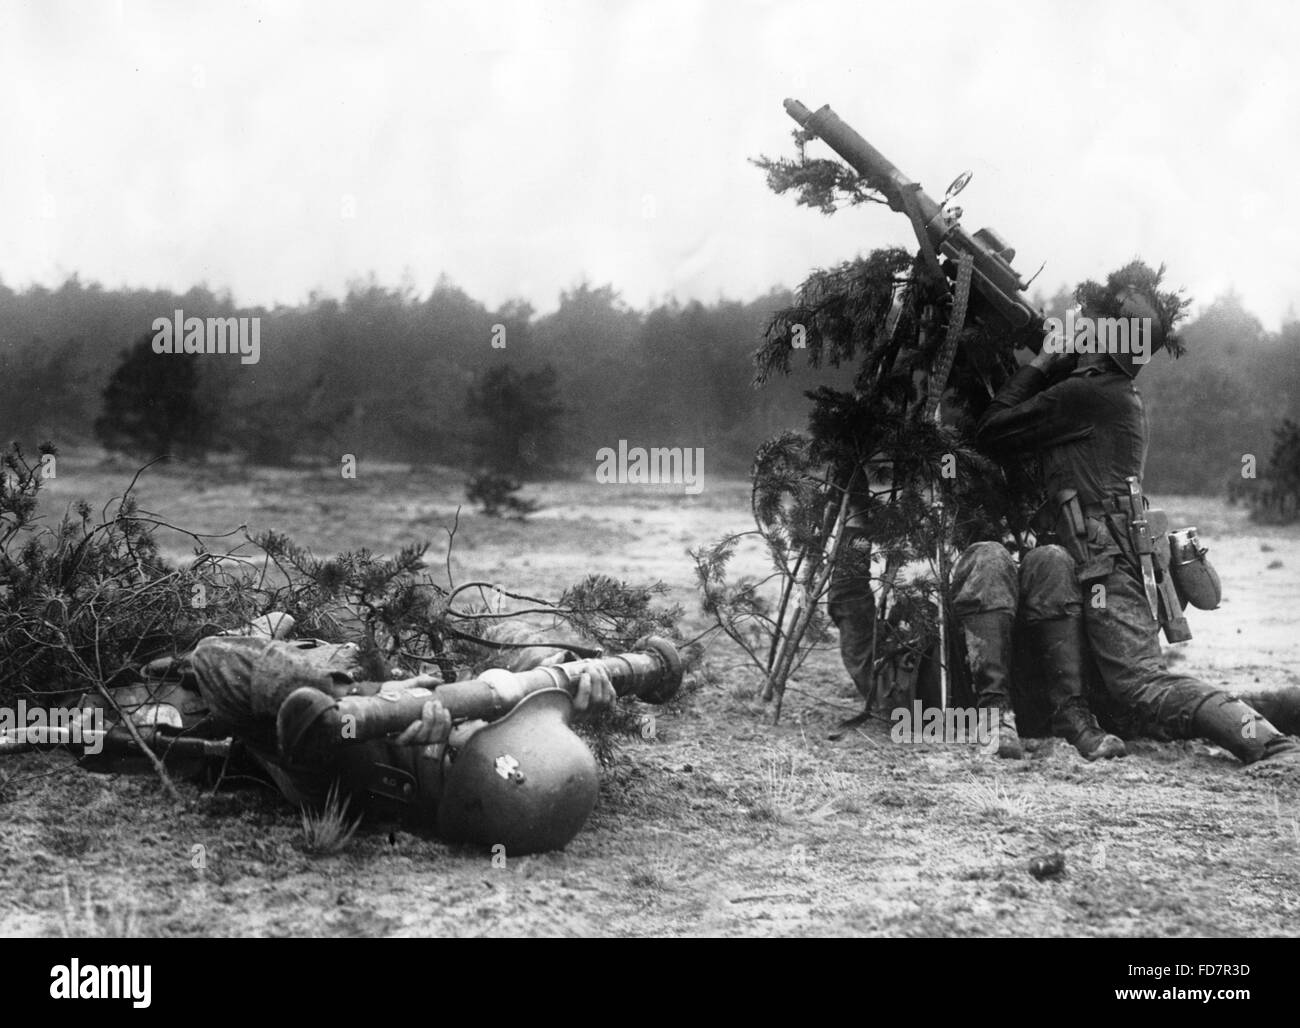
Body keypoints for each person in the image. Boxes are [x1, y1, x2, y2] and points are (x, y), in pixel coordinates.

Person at [954, 261, 1300, 770]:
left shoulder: (1086, 393)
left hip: (1106, 564)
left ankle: (1265, 740)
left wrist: (1046, 359)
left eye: (1089, 324)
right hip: (1103, 558)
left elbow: (991, 429)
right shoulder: (1109, 390)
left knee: (1140, 687)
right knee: (1127, 692)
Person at [180, 615, 616, 827]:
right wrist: (564, 669)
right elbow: (505, 638)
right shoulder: (496, 762)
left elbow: (216, 660)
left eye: (468, 736)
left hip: (266, 716)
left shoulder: (349, 778)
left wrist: (354, 699)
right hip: (344, 658)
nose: (477, 720)